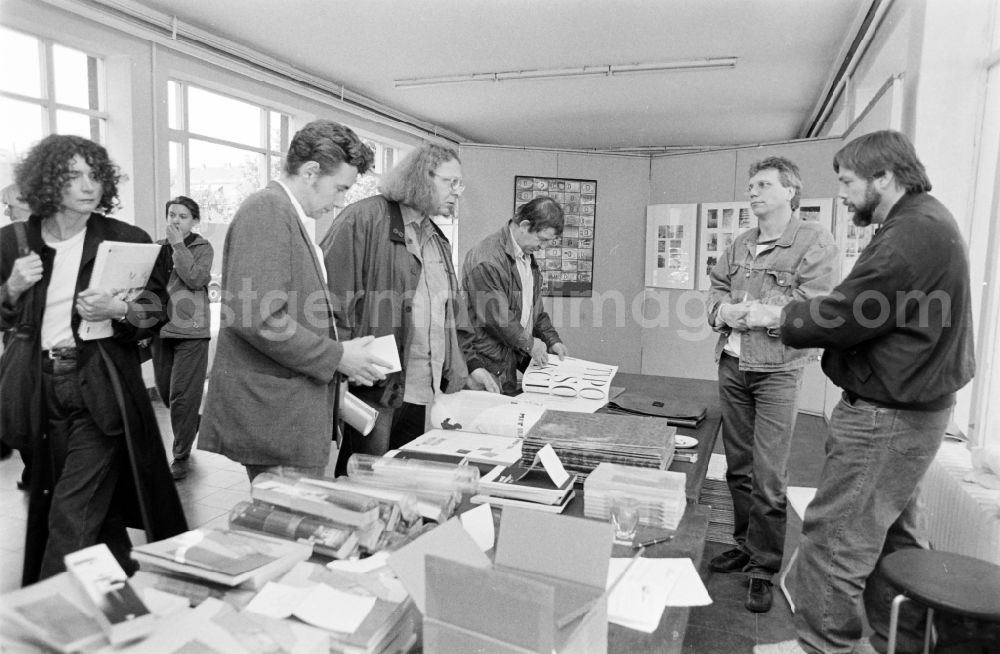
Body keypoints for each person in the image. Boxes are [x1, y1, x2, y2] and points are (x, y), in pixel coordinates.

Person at [754, 131, 975, 654]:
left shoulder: (911, 232)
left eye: (848, 182)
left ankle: (823, 646)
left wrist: (775, 315)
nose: (843, 194)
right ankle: (900, 643)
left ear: (885, 177)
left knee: (834, 542)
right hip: (913, 409)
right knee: (893, 541)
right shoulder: (923, 221)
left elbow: (849, 313)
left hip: (887, 416)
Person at [0, 134, 187, 584]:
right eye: (74, 176)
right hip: (36, 390)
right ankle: (117, 596)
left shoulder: (127, 240)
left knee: (71, 511)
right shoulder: (13, 242)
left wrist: (119, 309)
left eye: (95, 175)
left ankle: (46, 618)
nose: (89, 185)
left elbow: (155, 310)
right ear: (47, 182)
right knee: (85, 505)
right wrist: (10, 289)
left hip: (100, 389)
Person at [199, 119, 389, 483]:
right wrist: (338, 356)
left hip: (292, 412)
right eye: (339, 188)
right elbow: (259, 317)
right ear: (311, 171)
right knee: (288, 528)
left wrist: (340, 349)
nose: (340, 201)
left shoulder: (287, 214)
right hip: (278, 417)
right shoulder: (267, 211)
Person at [706, 156, 839, 613]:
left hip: (778, 370)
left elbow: (817, 303)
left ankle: (763, 566)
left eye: (763, 184)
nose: (753, 191)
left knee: (768, 474)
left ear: (790, 192)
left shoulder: (815, 242)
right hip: (733, 364)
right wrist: (721, 311)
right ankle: (745, 545)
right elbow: (717, 287)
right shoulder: (741, 242)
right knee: (738, 467)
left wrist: (763, 312)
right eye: (751, 184)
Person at [322, 143, 498, 474]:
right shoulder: (365, 219)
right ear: (421, 177)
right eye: (451, 182)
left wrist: (470, 365)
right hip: (375, 386)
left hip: (422, 391)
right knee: (365, 481)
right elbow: (328, 301)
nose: (457, 192)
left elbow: (451, 315)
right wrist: (338, 360)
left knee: (403, 484)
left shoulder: (437, 238)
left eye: (460, 184)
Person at [459, 196, 568, 395]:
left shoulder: (526, 258)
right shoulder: (488, 259)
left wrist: (552, 340)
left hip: (503, 361)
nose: (542, 248)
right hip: (483, 365)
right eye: (542, 240)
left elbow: (535, 312)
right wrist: (530, 344)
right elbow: (498, 318)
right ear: (525, 225)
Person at [150, 196, 213, 481]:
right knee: (166, 393)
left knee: (181, 397)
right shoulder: (154, 248)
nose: (175, 220)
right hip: (160, 330)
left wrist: (177, 245)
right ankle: (191, 424)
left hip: (191, 332)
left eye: (183, 216)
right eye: (172, 214)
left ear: (194, 221)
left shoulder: (202, 248)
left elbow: (196, 280)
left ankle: (180, 455)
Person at [1, 182, 34, 488]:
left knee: (20, 410)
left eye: (9, 204)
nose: (6, 210)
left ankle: (34, 469)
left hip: (19, 341)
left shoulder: (5, 239)